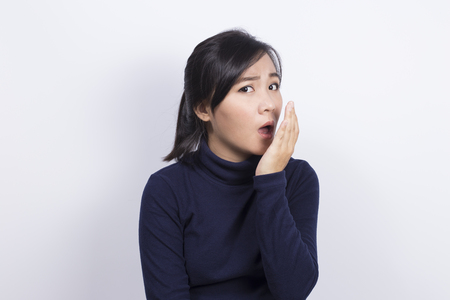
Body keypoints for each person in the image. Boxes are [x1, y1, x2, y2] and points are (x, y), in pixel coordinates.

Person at [139, 29, 319, 300]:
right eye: (246, 88)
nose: (269, 104)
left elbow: (294, 291)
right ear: (203, 108)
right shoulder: (167, 190)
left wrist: (270, 180)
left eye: (273, 86)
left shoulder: (296, 178)